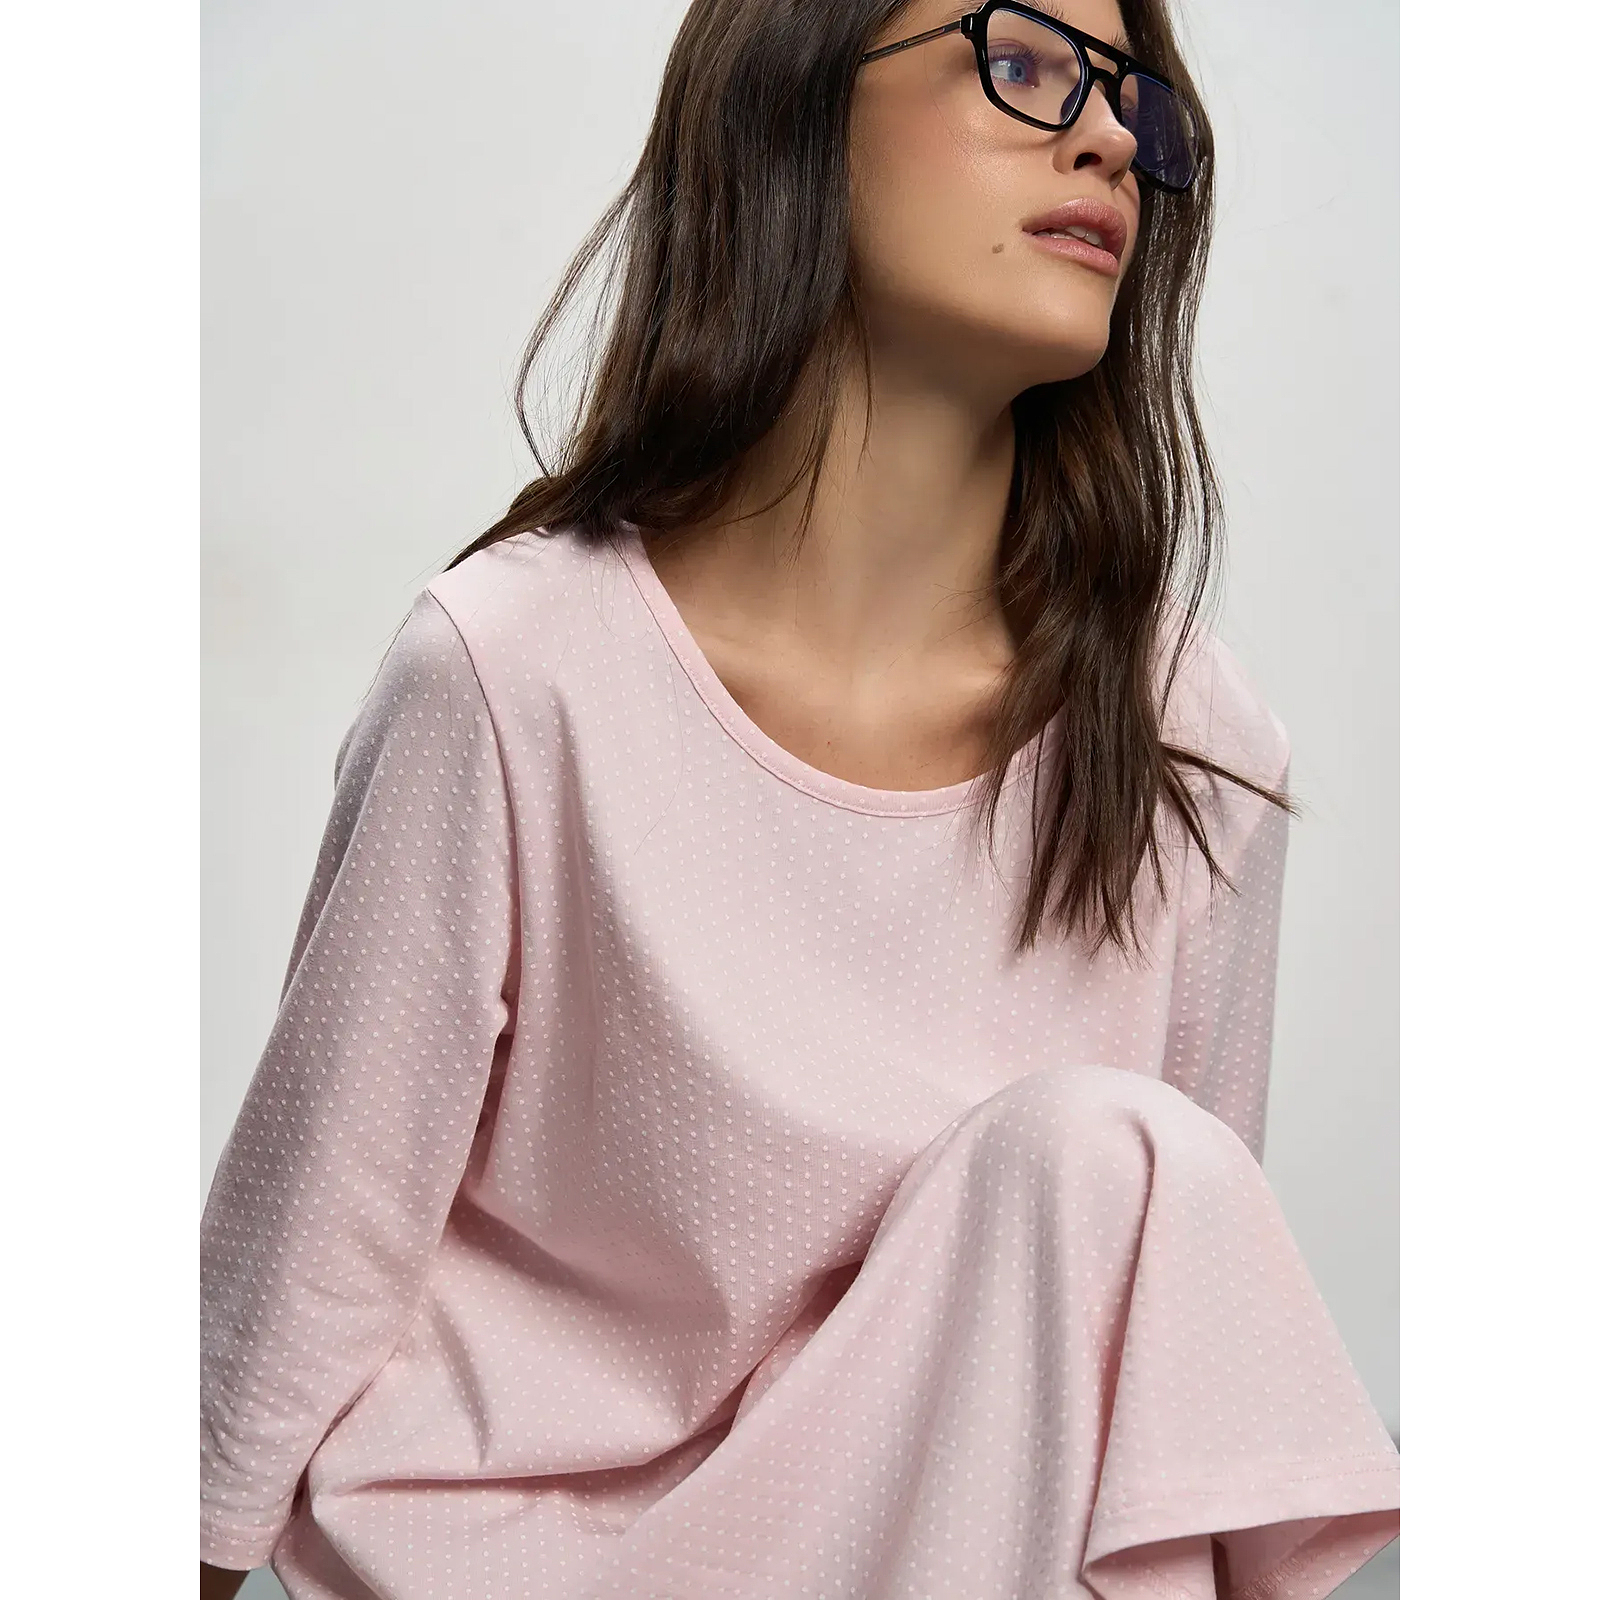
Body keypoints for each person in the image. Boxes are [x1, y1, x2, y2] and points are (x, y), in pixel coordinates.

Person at [199, 0, 1401, 1595]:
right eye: (1025, 64)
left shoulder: (1187, 742)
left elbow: (1171, 1375)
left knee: (1111, 1168)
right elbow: (308, 1252)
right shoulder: (515, 669)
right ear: (795, 108)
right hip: (531, 1568)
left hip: (959, 1555)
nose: (1114, 140)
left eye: (1138, 102)